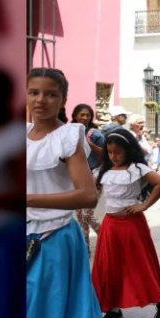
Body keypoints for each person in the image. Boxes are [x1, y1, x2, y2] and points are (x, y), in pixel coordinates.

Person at [26, 67, 113, 318]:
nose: (41, 100)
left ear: (62, 99)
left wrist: (27, 200)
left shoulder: (67, 136)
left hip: (54, 239)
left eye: (51, 94)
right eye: (34, 92)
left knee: (44, 316)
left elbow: (87, 194)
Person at [91, 128, 160, 318]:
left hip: (131, 225)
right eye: (110, 152)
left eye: (118, 152)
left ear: (128, 150)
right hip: (110, 226)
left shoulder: (137, 168)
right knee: (109, 267)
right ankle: (113, 309)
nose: (113, 156)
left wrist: (144, 205)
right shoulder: (104, 171)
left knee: (139, 264)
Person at [70, 103, 105, 254]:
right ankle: (84, 247)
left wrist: (89, 144)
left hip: (93, 178)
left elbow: (106, 155)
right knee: (79, 215)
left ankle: (106, 240)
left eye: (88, 115)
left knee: (89, 215)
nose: (85, 118)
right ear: (75, 115)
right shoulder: (67, 131)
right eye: (82, 114)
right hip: (74, 177)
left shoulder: (95, 134)